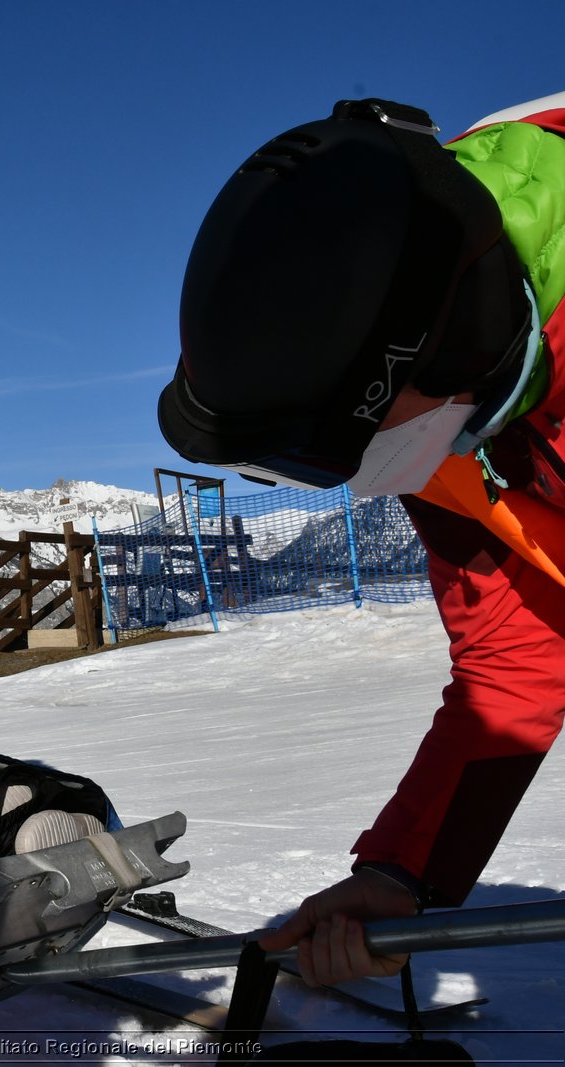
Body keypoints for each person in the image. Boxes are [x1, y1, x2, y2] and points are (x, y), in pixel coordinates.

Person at [157, 94, 565, 985]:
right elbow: (515, 664)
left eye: (340, 448)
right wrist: (400, 872)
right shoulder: (452, 408)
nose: (355, 477)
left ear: (439, 346)